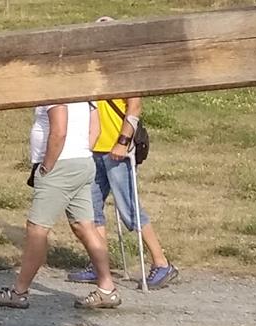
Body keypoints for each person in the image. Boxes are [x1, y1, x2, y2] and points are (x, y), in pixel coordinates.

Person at [0, 100, 119, 311]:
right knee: (85, 226)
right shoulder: (84, 92)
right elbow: (96, 128)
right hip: (83, 161)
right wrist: (82, 152)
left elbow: (59, 130)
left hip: (59, 166)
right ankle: (107, 288)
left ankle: (19, 292)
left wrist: (47, 166)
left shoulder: (55, 89)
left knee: (37, 229)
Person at [70, 90, 177, 290]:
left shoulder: (122, 74)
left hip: (117, 149)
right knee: (92, 211)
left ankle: (161, 262)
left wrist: (123, 142)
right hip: (92, 148)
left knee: (129, 208)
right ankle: (99, 265)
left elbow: (134, 107)